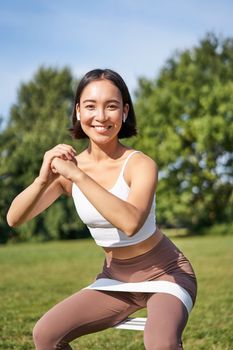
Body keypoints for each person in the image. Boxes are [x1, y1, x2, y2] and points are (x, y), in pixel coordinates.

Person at [7, 68, 197, 350]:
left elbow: (130, 222)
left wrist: (79, 176)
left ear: (124, 111)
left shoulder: (139, 164)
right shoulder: (67, 172)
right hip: (114, 278)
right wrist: (42, 179)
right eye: (90, 106)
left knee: (161, 344)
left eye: (111, 106)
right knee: (45, 335)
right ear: (78, 112)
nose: (101, 116)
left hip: (166, 274)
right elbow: (14, 218)